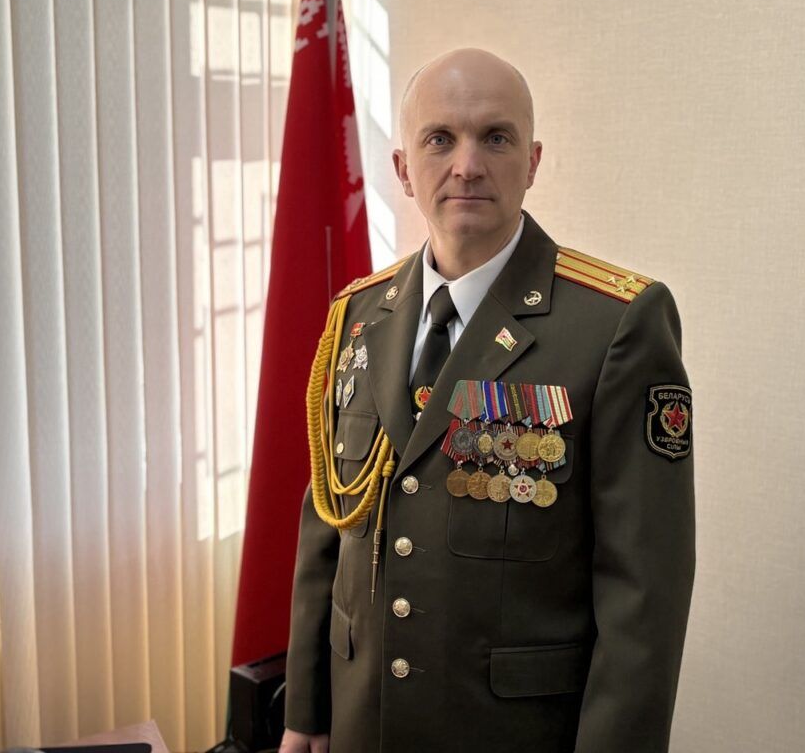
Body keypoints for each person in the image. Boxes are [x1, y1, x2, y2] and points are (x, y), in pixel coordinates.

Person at [279, 48, 695, 753]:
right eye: (440, 139)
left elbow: (644, 594)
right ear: (403, 169)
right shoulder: (358, 315)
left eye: (495, 138)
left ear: (532, 162)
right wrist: (306, 711)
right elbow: (328, 523)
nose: (467, 165)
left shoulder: (615, 325)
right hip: (361, 723)